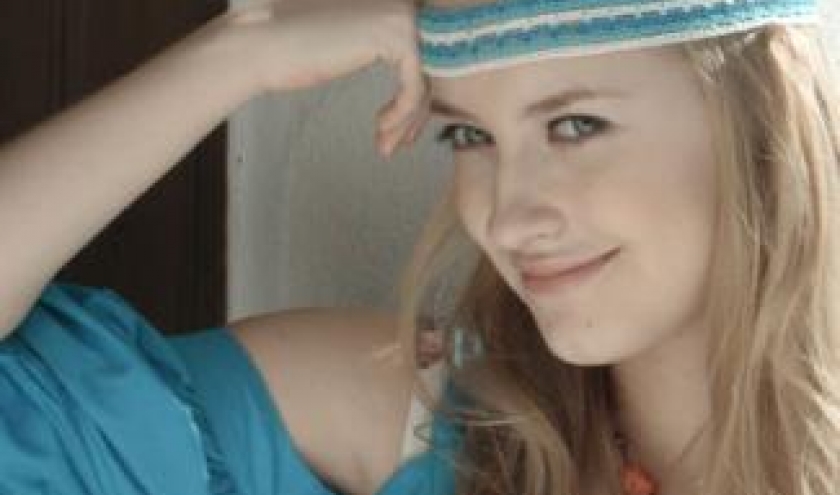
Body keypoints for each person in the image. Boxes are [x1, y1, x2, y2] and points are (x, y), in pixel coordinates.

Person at [0, 0, 837, 494]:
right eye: (470, 136)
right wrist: (243, 50)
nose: (508, 218)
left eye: (576, 125)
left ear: (759, 119)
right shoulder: (431, 421)